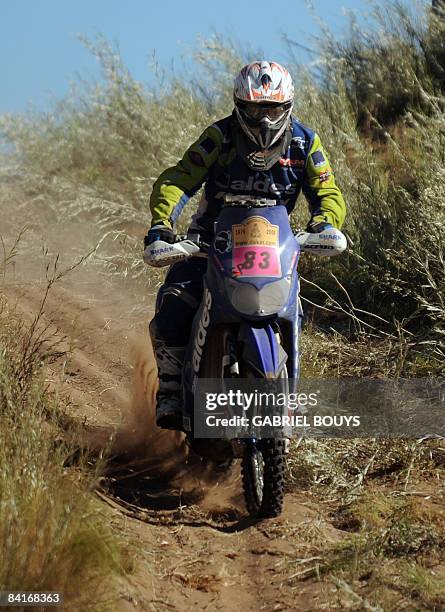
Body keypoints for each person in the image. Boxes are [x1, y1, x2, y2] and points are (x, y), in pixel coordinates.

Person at [145, 60, 346, 430]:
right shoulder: (218, 137)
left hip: (274, 246)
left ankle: (288, 394)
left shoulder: (305, 141)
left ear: (287, 107)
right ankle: (171, 388)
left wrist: (325, 222)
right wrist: (162, 225)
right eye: (255, 109)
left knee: (293, 307)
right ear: (239, 105)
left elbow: (327, 191)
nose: (264, 121)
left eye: (272, 109)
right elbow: (177, 179)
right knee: (177, 296)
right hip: (209, 240)